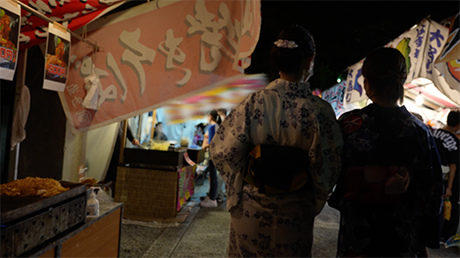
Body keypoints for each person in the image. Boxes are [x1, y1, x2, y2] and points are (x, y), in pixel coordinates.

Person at [210, 25, 343, 257]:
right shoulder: (318, 111)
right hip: (294, 213)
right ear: (309, 60)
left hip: (250, 211)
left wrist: (239, 186)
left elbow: (222, 151)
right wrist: (313, 201)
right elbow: (328, 167)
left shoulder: (253, 103)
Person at [329, 47, 443, 257]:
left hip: (358, 230)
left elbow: (330, 172)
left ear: (367, 83)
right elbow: (432, 189)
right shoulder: (419, 131)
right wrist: (427, 236)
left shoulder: (348, 124)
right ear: (402, 80)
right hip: (402, 234)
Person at [432, 110, 460, 243]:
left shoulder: (432, 132)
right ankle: (437, 236)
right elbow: (453, 166)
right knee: (438, 208)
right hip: (441, 178)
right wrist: (450, 188)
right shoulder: (454, 141)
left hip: (426, 174)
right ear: (458, 125)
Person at [200, 110, 222, 208]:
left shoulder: (212, 127)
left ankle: (212, 198)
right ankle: (211, 197)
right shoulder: (218, 125)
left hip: (213, 154)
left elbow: (211, 142)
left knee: (213, 176)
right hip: (218, 154)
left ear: (210, 117)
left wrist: (204, 147)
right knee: (213, 176)